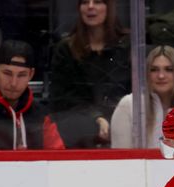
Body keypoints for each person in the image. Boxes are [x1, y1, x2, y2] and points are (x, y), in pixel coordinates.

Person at [49, 0, 131, 148]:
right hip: (80, 127)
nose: (90, 7)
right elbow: (62, 98)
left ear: (109, 7)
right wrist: (97, 118)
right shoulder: (66, 49)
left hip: (123, 122)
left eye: (98, 2)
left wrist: (113, 119)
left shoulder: (127, 46)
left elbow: (132, 91)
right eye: (85, 2)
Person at [111, 45, 174, 148]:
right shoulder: (129, 105)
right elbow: (121, 159)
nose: (161, 76)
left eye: (169, 69)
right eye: (154, 70)